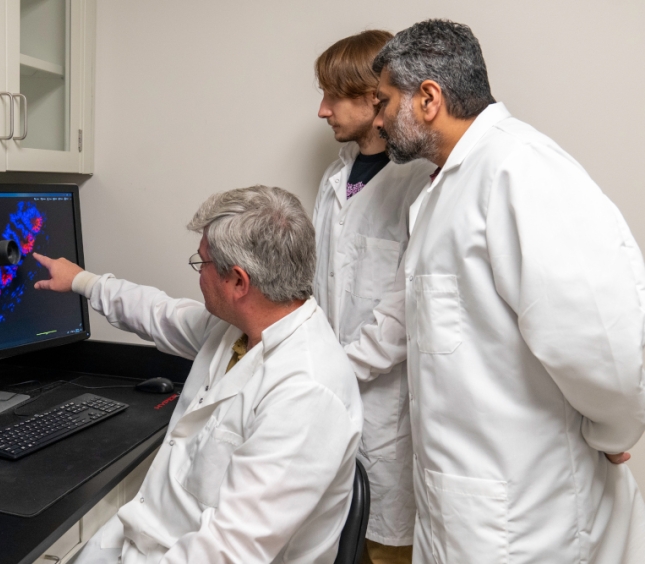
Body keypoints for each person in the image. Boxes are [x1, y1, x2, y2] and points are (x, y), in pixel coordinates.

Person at [370, 19, 645, 563]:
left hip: (528, 517)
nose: (377, 120)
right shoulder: (449, 184)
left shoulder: (520, 171)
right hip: (464, 509)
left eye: (382, 102)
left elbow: (605, 346)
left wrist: (612, 433)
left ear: (429, 98)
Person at [34, 185, 362, 564]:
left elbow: (229, 552)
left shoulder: (307, 391)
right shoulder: (238, 330)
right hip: (151, 538)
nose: (199, 273)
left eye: (202, 263)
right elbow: (160, 313)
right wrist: (82, 281)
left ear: (239, 282)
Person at [313, 30, 436, 564]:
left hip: (389, 413)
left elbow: (407, 309)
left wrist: (335, 369)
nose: (322, 111)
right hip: (329, 399)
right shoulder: (335, 177)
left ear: (374, 97)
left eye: (334, 95)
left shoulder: (418, 182)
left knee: (387, 544)